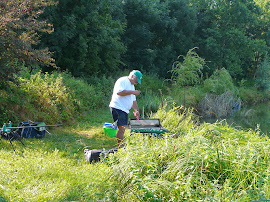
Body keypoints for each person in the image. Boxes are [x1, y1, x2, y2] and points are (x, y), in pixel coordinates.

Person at [109, 70, 143, 147]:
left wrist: (136, 110)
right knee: (121, 128)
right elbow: (119, 92)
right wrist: (133, 92)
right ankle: (121, 147)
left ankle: (121, 146)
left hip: (124, 109)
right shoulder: (122, 80)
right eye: (136, 80)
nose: (136, 83)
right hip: (117, 107)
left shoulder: (132, 86)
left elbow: (133, 100)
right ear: (132, 76)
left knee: (123, 128)